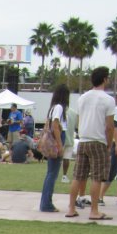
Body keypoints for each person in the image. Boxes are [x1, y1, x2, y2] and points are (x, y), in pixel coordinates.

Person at [66, 67, 115, 220]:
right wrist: (109, 143)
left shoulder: (83, 98)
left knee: (78, 176)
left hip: (83, 140)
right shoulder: (108, 99)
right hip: (98, 140)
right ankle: (94, 211)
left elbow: (80, 119)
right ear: (105, 79)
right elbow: (110, 126)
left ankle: (71, 208)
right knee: (97, 177)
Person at [39, 84, 69, 212]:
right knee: (52, 173)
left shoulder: (53, 107)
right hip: (58, 138)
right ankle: (46, 203)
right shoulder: (59, 108)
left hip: (55, 139)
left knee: (51, 173)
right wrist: (60, 145)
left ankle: (45, 202)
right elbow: (55, 126)